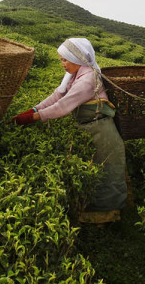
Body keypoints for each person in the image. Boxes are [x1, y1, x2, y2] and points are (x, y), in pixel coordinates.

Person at [12, 38, 127, 225]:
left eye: (65, 60)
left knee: (107, 174)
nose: (62, 64)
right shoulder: (74, 76)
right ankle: (91, 211)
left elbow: (62, 106)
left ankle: (107, 216)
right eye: (61, 60)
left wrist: (32, 118)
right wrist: (33, 109)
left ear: (77, 58)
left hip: (102, 133)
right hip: (89, 130)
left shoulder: (89, 78)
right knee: (93, 171)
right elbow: (57, 96)